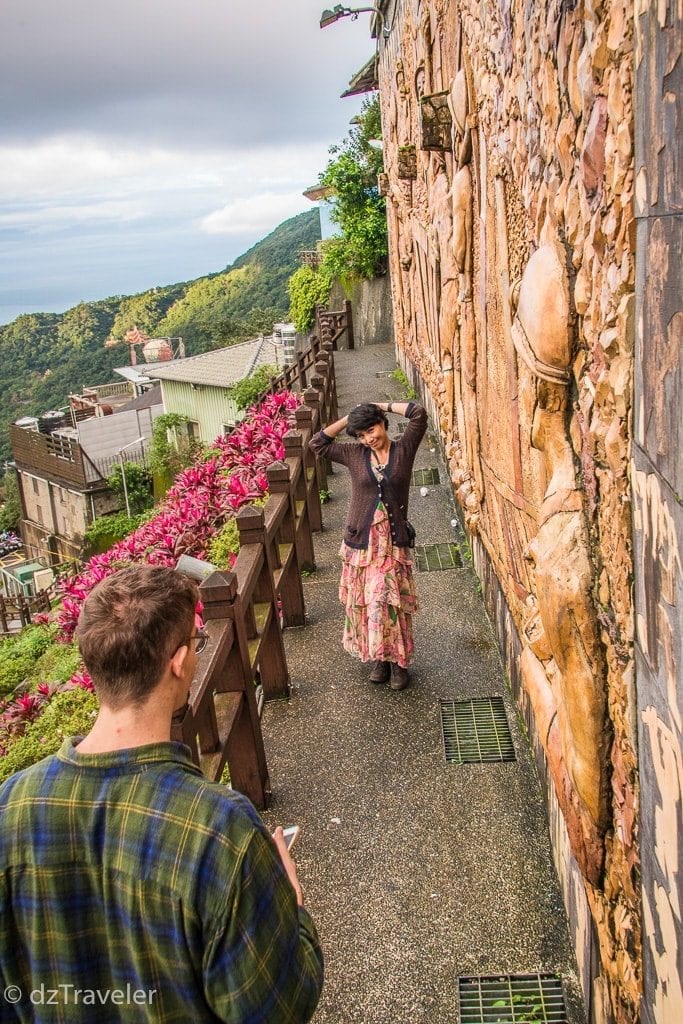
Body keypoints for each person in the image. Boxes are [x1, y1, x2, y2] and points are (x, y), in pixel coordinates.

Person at [0, 565, 323, 1024]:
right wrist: (290, 908)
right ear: (178, 662)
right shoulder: (220, 828)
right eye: (196, 641)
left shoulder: (10, 806)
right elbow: (280, 1006)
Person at [309, 399, 428, 691]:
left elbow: (418, 414)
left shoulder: (404, 449)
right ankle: (380, 659)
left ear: (383, 424)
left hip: (392, 541)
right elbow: (318, 444)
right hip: (362, 543)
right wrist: (349, 418)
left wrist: (381, 405)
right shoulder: (354, 453)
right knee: (367, 602)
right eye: (362, 435)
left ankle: (398, 663)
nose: (368, 438)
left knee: (390, 602)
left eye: (371, 430)